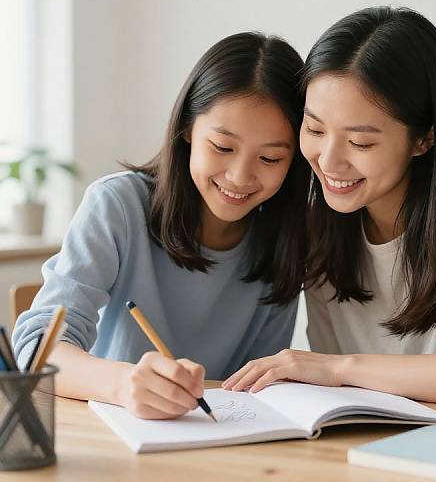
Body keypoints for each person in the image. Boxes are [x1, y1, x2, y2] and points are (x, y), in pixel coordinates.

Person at [223, 7, 436, 409]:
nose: (328, 161)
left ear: (423, 139)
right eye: (315, 129)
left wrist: (341, 368)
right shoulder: (320, 223)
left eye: (360, 143)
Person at [12, 32, 310, 419]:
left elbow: (258, 388)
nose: (239, 176)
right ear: (187, 129)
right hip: (111, 431)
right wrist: (124, 384)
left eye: (269, 158)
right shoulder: (117, 206)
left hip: (219, 441)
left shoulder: (285, 239)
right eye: (222, 147)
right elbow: (38, 351)